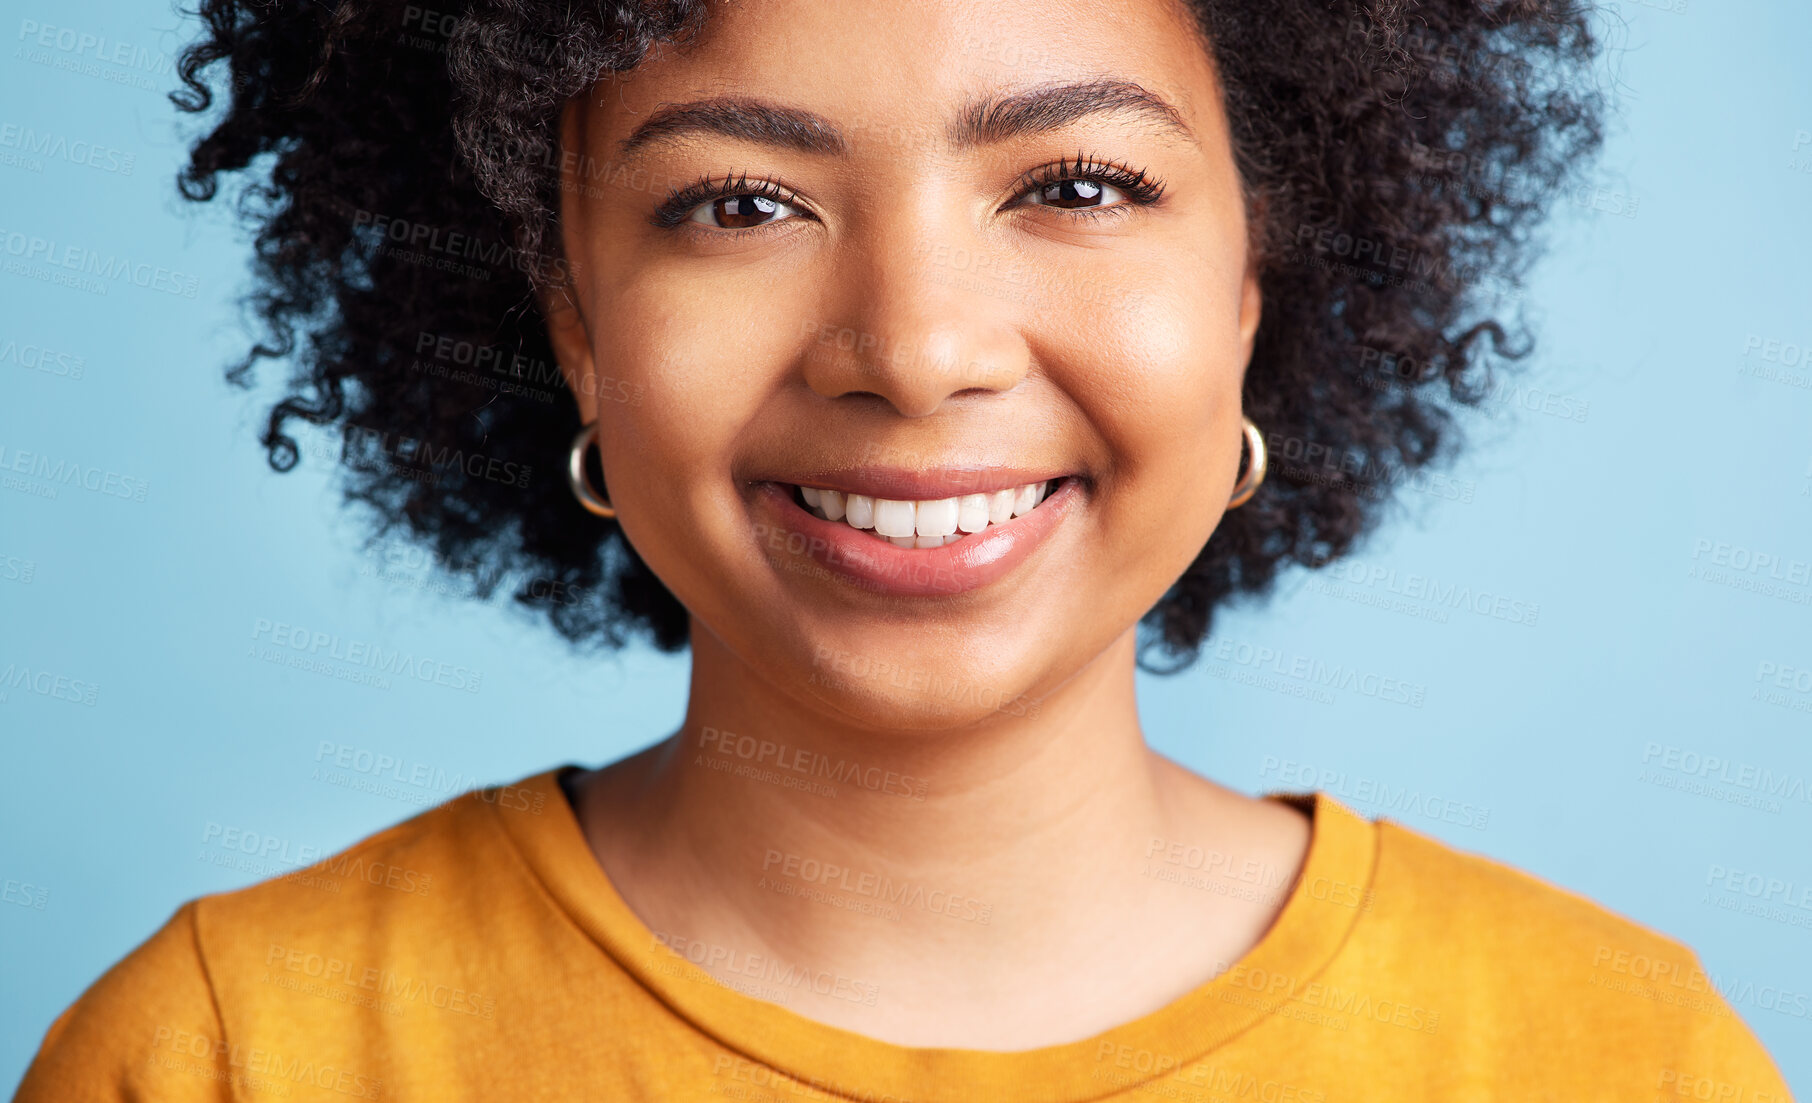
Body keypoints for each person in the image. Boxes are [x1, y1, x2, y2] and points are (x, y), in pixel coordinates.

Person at [16, 0, 1796, 1099]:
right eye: (738, 203)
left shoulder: (1609, 1058)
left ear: (1258, 287)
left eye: (1076, 184)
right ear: (566, 323)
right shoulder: (241, 1058)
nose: (919, 344)